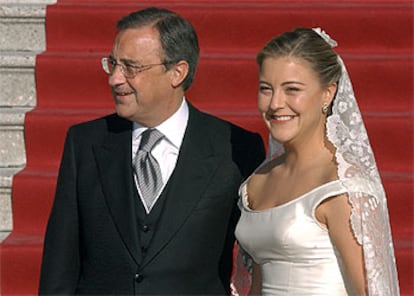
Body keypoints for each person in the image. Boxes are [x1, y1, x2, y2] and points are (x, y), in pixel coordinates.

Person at [38, 7, 265, 295]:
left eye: (131, 67)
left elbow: (261, 252)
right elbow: (60, 262)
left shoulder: (236, 148)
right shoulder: (85, 142)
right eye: (113, 64)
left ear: (177, 72)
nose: (115, 79)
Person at [233, 28, 399, 295]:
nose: (275, 103)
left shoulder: (344, 188)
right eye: (266, 89)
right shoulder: (258, 181)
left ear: (327, 93)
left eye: (292, 89)